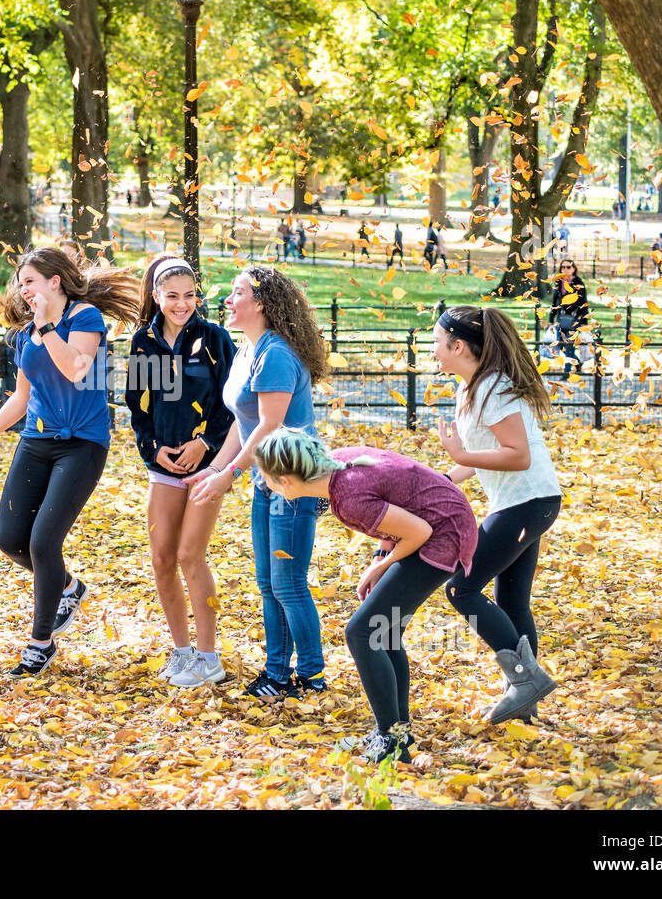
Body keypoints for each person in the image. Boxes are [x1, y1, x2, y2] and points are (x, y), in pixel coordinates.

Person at [0, 247, 139, 677]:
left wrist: (47, 326)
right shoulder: (25, 333)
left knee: (42, 543)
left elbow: (77, 368)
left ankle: (40, 643)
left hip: (81, 444)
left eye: (30, 281)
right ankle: (69, 587)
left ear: (54, 281)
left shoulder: (85, 317)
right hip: (36, 440)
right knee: (9, 537)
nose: (23, 290)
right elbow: (21, 396)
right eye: (21, 283)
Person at [255, 428, 477, 764]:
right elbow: (399, 501)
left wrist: (380, 567)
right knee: (384, 631)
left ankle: (392, 741)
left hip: (444, 538)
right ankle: (397, 731)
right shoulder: (337, 468)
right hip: (434, 528)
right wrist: (380, 556)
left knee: (364, 631)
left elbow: (420, 530)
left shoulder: (347, 495)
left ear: (285, 481)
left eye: (265, 477)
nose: (263, 483)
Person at [186, 266, 330, 699]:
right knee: (269, 582)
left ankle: (311, 676)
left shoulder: (277, 355)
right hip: (268, 478)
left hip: (296, 480)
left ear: (261, 303)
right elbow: (243, 423)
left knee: (288, 582)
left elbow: (269, 426)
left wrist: (228, 475)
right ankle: (277, 674)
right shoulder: (249, 351)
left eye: (237, 292)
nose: (227, 300)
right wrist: (217, 468)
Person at [433, 306, 563, 723]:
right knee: (512, 600)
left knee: (461, 589)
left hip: (528, 501)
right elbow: (487, 457)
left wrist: (460, 453)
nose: (433, 350)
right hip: (523, 503)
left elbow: (518, 455)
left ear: (457, 346)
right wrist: (446, 479)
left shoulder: (494, 388)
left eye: (437, 342)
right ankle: (525, 698)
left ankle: (525, 679)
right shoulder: (470, 389)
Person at [125, 255, 237, 688]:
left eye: (190, 296)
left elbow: (232, 406)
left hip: (208, 466)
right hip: (163, 466)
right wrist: (156, 450)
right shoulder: (144, 343)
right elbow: (140, 407)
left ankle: (209, 658)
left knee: (191, 555)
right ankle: (183, 651)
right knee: (161, 559)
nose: (182, 304)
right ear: (156, 296)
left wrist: (204, 443)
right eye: (172, 296)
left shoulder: (214, 339)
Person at [548, 259, 590, 380]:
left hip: (575, 319)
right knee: (560, 344)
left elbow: (584, 303)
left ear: (573, 269)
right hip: (561, 319)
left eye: (568, 267)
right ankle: (577, 363)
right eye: (563, 267)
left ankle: (566, 373)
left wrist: (583, 322)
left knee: (569, 345)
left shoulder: (578, 282)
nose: (565, 269)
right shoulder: (558, 282)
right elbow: (555, 302)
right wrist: (551, 318)